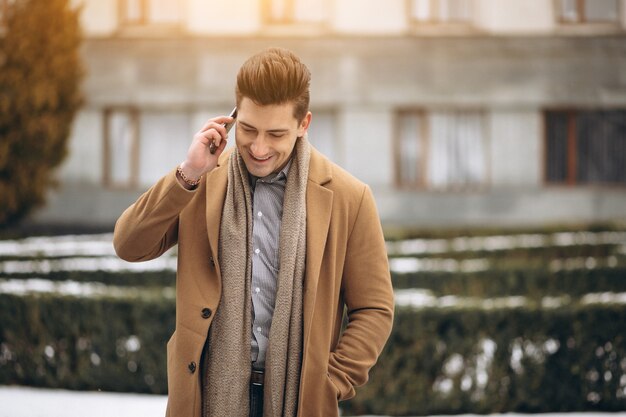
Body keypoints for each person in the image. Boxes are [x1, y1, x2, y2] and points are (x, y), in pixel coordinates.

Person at [113, 47, 394, 417]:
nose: (258, 148)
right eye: (248, 129)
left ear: (303, 124)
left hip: (300, 401)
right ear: (231, 118)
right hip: (207, 398)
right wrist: (188, 173)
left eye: (276, 134)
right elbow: (129, 245)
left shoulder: (348, 197)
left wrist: (330, 381)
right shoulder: (201, 182)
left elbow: (374, 308)